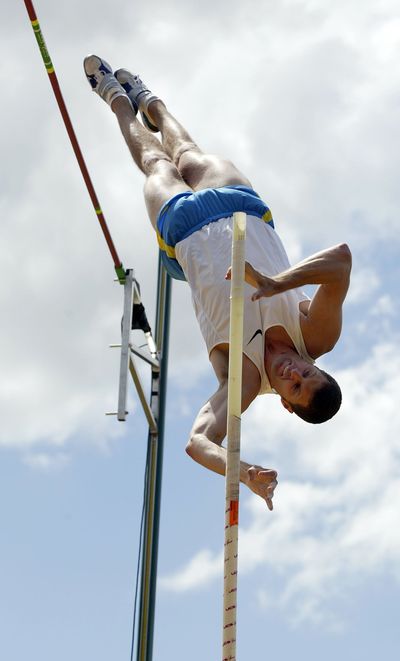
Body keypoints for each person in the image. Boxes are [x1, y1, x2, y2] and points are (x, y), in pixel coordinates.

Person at [84, 55, 352, 510]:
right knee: (185, 150)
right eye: (306, 375)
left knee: (155, 163)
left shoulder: (243, 384)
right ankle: (149, 100)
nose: (293, 374)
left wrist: (244, 472)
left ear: (286, 404)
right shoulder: (316, 335)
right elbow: (340, 262)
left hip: (186, 231)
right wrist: (273, 283)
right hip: (242, 206)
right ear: (317, 366)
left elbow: (197, 442)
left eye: (294, 388)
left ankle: (113, 97)